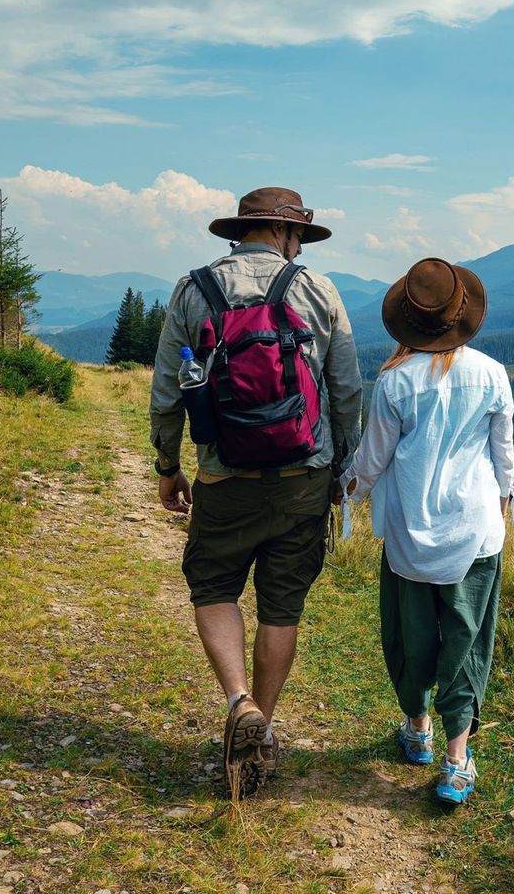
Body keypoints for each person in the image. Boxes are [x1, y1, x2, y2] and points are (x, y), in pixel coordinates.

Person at [148, 187, 362, 799]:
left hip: (223, 473)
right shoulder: (317, 290)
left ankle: (239, 701)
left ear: (242, 230)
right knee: (281, 604)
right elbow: (344, 389)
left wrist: (168, 462)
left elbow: (168, 387)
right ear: (289, 235)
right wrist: (342, 467)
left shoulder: (193, 290)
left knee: (214, 584)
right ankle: (262, 727)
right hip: (303, 474)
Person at [341, 257, 514, 805]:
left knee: (410, 636)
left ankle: (417, 728)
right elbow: (503, 457)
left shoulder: (394, 380)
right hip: (476, 535)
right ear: (463, 315)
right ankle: (456, 761)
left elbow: (371, 461)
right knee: (466, 643)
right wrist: (506, 503)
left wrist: (344, 496)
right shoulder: (491, 374)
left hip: (409, 535)